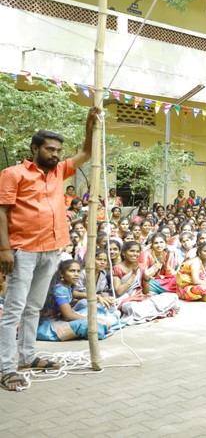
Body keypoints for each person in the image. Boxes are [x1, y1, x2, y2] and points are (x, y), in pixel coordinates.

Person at [0, 110, 97, 392]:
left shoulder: (59, 172)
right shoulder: (12, 174)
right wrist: (5, 249)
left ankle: (27, 356)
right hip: (22, 250)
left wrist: (89, 125)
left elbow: (88, 153)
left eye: (58, 150)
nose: (55, 154)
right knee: (14, 310)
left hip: (50, 249)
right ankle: (7, 368)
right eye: (49, 149)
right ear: (35, 149)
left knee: (34, 307)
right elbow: (2, 212)